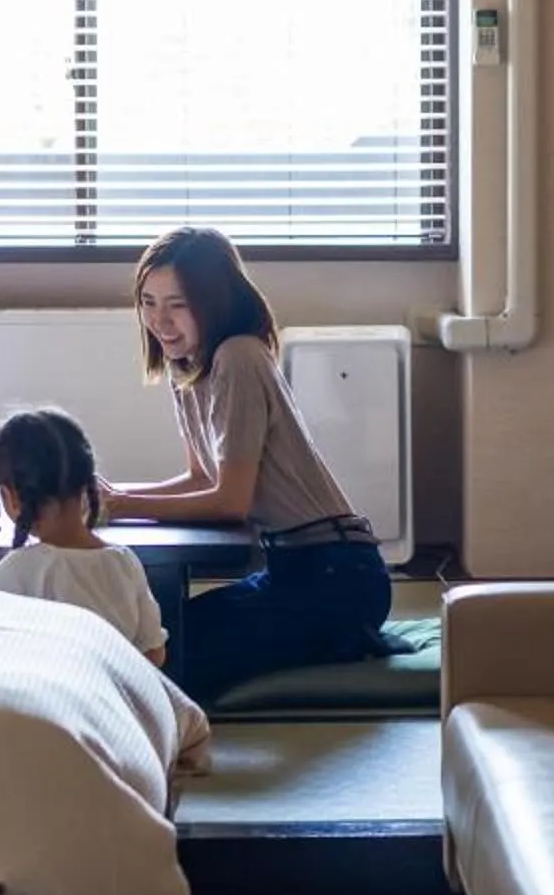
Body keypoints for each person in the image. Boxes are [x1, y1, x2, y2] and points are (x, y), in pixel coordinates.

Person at [100, 226, 390, 702]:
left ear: (213, 301)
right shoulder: (187, 367)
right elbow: (201, 478)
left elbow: (229, 501)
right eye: (148, 302)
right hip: (289, 571)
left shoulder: (238, 356)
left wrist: (122, 504)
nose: (160, 321)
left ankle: (344, 638)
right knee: (158, 634)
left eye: (177, 304)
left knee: (174, 661)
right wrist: (113, 496)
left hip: (339, 576)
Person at [0, 407, 166, 665]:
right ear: (86, 484)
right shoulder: (124, 563)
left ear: (11, 497)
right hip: (114, 702)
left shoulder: (16, 572)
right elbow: (155, 653)